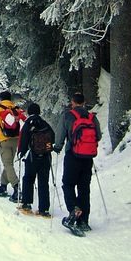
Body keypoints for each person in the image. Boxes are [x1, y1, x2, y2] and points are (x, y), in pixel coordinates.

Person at [53, 92, 102, 232]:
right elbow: (98, 135)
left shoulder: (68, 115)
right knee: (84, 189)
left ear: (73, 102)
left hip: (72, 155)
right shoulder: (92, 117)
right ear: (84, 102)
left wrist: (57, 147)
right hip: (88, 158)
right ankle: (84, 221)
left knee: (68, 184)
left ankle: (74, 210)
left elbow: (60, 135)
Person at [17, 102, 54, 217]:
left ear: (29, 112)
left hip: (32, 157)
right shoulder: (44, 124)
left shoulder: (28, 124)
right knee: (43, 182)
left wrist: (20, 153)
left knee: (28, 178)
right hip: (45, 157)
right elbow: (52, 137)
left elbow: (23, 140)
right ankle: (44, 209)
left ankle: (26, 204)